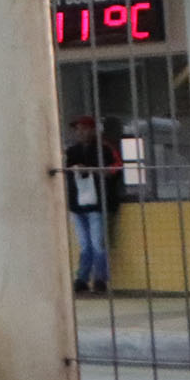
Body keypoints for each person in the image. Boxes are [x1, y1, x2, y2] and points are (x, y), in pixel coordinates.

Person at [64, 116, 115, 295]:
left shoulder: (104, 148)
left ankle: (100, 279)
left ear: (93, 130)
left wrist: (94, 171)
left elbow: (116, 168)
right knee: (85, 245)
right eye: (78, 129)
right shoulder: (72, 151)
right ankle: (82, 279)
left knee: (96, 244)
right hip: (77, 205)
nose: (80, 132)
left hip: (97, 204)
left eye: (84, 128)